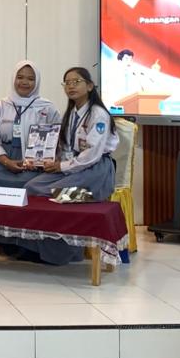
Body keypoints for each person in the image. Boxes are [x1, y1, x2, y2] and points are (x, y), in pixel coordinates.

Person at [18, 67, 120, 266]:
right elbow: (67, 147)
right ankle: (38, 248)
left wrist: (62, 166)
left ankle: (65, 253)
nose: (71, 86)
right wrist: (51, 162)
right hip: (73, 167)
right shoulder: (72, 113)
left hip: (95, 173)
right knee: (31, 188)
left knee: (60, 195)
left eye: (77, 81)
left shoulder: (98, 114)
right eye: (67, 82)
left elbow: (91, 155)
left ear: (89, 86)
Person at [0, 60, 61, 252]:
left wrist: (42, 159)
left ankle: (27, 243)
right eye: (20, 77)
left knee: (34, 185)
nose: (25, 82)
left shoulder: (47, 108)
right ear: (13, 79)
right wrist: (6, 161)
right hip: (2, 159)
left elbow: (57, 138)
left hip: (34, 161)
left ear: (37, 82)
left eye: (30, 79)